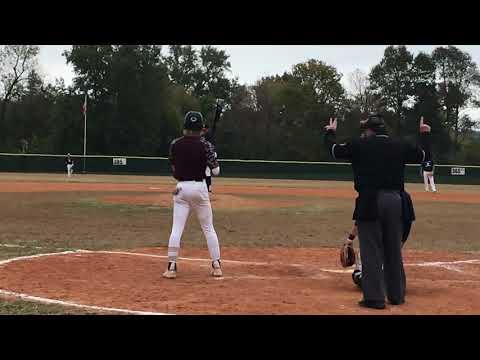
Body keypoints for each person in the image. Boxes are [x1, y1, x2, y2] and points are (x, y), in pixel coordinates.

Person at [325, 114, 431, 309]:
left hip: (369, 200)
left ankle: (374, 298)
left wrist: (330, 133)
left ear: (369, 130)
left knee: (371, 250)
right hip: (395, 200)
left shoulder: (360, 144)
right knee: (393, 249)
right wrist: (424, 134)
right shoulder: (399, 145)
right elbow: (423, 155)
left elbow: (334, 151)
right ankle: (397, 295)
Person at [162, 111, 222, 279]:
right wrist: (213, 156)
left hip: (180, 187)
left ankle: (171, 267)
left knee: (176, 229)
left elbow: (174, 171)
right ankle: (216, 265)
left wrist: (181, 181)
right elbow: (216, 171)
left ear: (185, 127)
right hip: (200, 187)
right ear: (201, 128)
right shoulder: (206, 145)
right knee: (208, 228)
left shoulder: (175, 144)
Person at [201, 124, 216, 193]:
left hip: (208, 155)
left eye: (205, 129)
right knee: (206, 172)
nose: (204, 130)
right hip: (204, 155)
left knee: (207, 171)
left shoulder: (208, 135)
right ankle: (207, 187)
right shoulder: (203, 135)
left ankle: (208, 187)